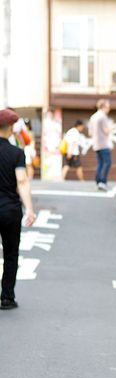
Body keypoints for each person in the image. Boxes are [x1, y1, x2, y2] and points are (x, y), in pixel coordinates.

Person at [0, 109, 36, 309]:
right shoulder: (16, 153)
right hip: (10, 211)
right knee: (11, 254)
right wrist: (29, 209)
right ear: (12, 128)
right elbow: (22, 181)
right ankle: (7, 297)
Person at [89, 99, 112, 190]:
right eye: (108, 107)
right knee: (107, 163)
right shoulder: (103, 117)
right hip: (103, 144)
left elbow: (90, 133)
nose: (109, 109)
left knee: (100, 163)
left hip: (96, 144)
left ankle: (98, 181)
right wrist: (111, 128)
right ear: (103, 107)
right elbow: (106, 131)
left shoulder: (93, 117)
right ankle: (102, 181)